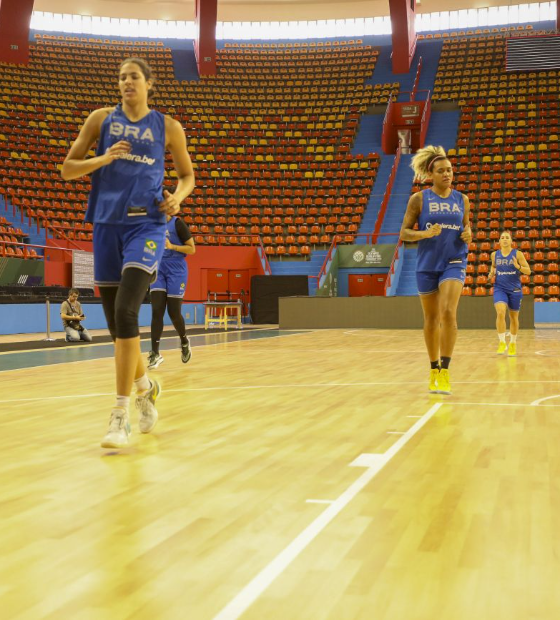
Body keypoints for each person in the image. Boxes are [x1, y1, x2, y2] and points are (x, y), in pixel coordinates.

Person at [61, 57, 195, 449]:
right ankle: (145, 388)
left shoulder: (168, 127)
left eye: (133, 77)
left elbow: (187, 176)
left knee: (126, 312)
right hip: (105, 226)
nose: (126, 83)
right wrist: (104, 158)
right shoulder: (100, 120)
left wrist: (178, 201)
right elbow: (68, 169)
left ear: (149, 84)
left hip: (146, 227)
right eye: (121, 78)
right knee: (119, 329)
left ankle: (120, 414)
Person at [400, 145, 472, 395]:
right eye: (441, 171)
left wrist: (469, 233)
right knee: (431, 319)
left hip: (454, 260)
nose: (447, 174)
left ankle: (446, 369)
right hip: (427, 264)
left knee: (448, 311)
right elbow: (404, 233)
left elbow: (467, 227)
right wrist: (424, 234)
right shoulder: (419, 199)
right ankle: (433, 369)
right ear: (431, 174)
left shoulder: (462, 199)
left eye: (450, 170)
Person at [147, 214, 195, 369]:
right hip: (159, 268)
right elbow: (149, 247)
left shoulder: (178, 224)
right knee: (157, 310)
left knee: (174, 312)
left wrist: (172, 246)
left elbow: (192, 249)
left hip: (176, 268)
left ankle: (184, 341)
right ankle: (155, 353)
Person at [488, 230, 531, 357]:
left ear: (511, 241)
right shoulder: (494, 255)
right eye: (502, 237)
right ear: (499, 241)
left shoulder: (518, 254)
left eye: (507, 237)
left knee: (513, 317)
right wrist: (491, 273)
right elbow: (494, 267)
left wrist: (517, 266)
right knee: (500, 312)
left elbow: (528, 271)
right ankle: (502, 342)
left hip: (515, 289)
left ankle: (512, 343)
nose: (505, 239)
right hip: (499, 288)